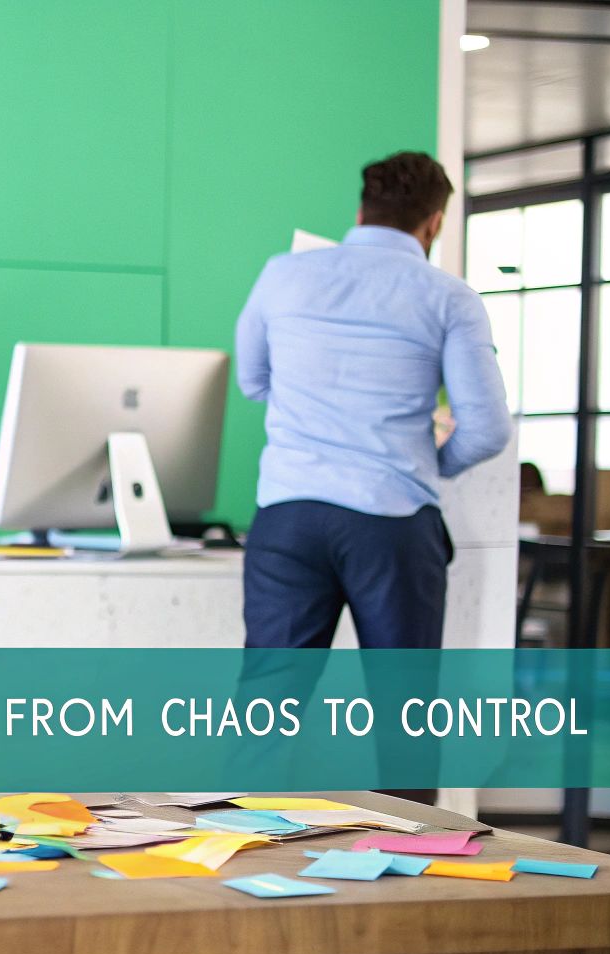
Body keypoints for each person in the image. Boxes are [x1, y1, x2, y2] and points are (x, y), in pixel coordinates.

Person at [234, 152, 511, 805]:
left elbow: (252, 380)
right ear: (433, 224)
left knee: (265, 708)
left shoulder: (284, 275)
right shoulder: (448, 297)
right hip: (390, 524)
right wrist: (423, 463)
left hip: (288, 519)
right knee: (405, 714)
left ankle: (229, 865)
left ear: (361, 210)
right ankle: (411, 876)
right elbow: (487, 428)